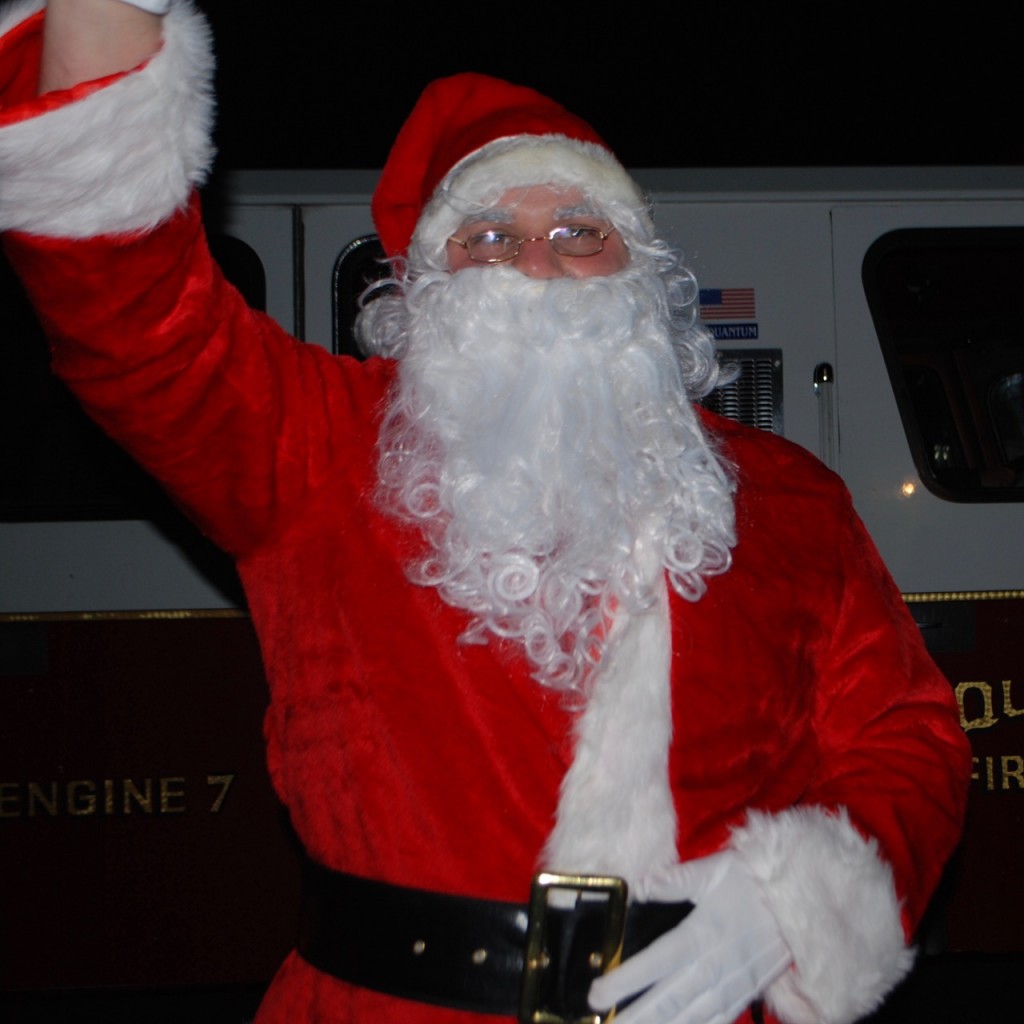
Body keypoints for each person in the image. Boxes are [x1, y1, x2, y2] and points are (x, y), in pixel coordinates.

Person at [0, 3, 971, 1023]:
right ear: (424, 287)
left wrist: (791, 909)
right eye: (490, 235)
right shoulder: (318, 449)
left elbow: (905, 736)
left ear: (638, 272)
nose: (538, 265)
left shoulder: (786, 495)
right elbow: (131, 306)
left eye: (578, 233)